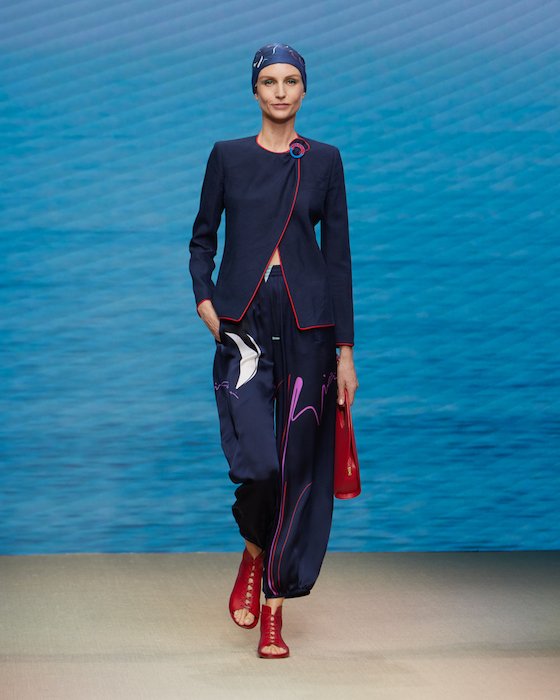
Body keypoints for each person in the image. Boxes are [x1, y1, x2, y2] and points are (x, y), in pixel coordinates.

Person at [189, 43, 358, 659]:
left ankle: (274, 611)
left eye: (291, 81)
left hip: (309, 324)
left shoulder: (325, 160)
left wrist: (345, 351)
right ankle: (253, 550)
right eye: (270, 81)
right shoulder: (228, 156)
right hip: (244, 322)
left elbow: (338, 257)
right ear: (255, 91)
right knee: (260, 463)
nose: (281, 91)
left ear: (304, 90)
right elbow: (202, 240)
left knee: (296, 469)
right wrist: (205, 303)